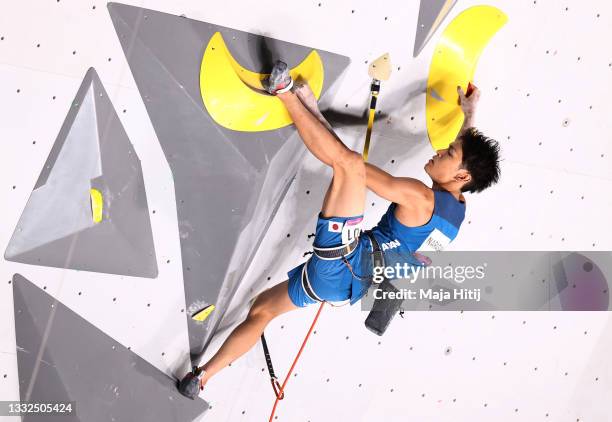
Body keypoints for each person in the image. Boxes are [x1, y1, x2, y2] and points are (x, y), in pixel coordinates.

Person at [190, 61, 501, 390]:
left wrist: (311, 108)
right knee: (262, 310)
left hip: (345, 259)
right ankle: (202, 377)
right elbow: (465, 154)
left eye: (448, 152)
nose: (440, 149)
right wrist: (469, 115)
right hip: (343, 286)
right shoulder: (457, 211)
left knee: (349, 164)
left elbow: (354, 168)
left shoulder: (421, 197)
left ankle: (282, 92)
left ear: (462, 176)